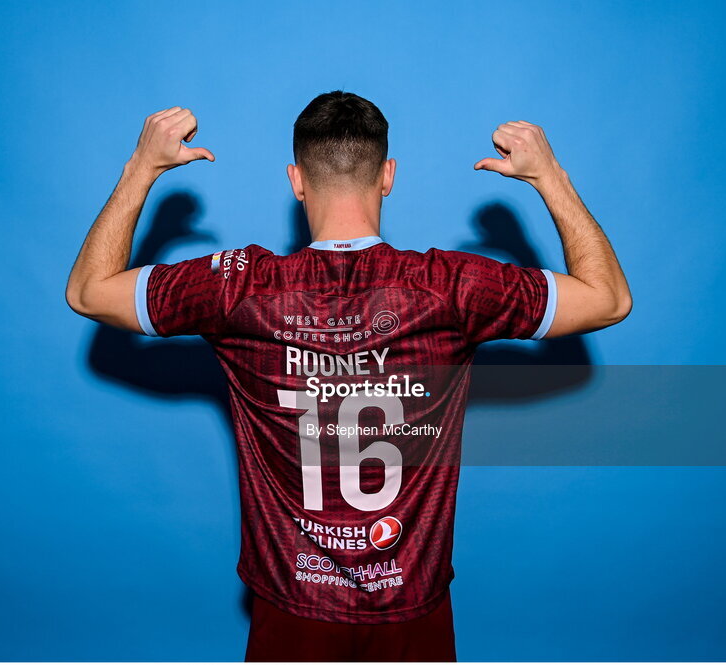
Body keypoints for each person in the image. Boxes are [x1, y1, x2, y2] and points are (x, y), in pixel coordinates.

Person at [66, 91, 631, 661]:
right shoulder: (451, 285)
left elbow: (88, 291)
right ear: (388, 176)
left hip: (293, 607)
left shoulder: (238, 285)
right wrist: (549, 176)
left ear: (296, 180)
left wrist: (142, 167)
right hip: (413, 608)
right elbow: (607, 300)